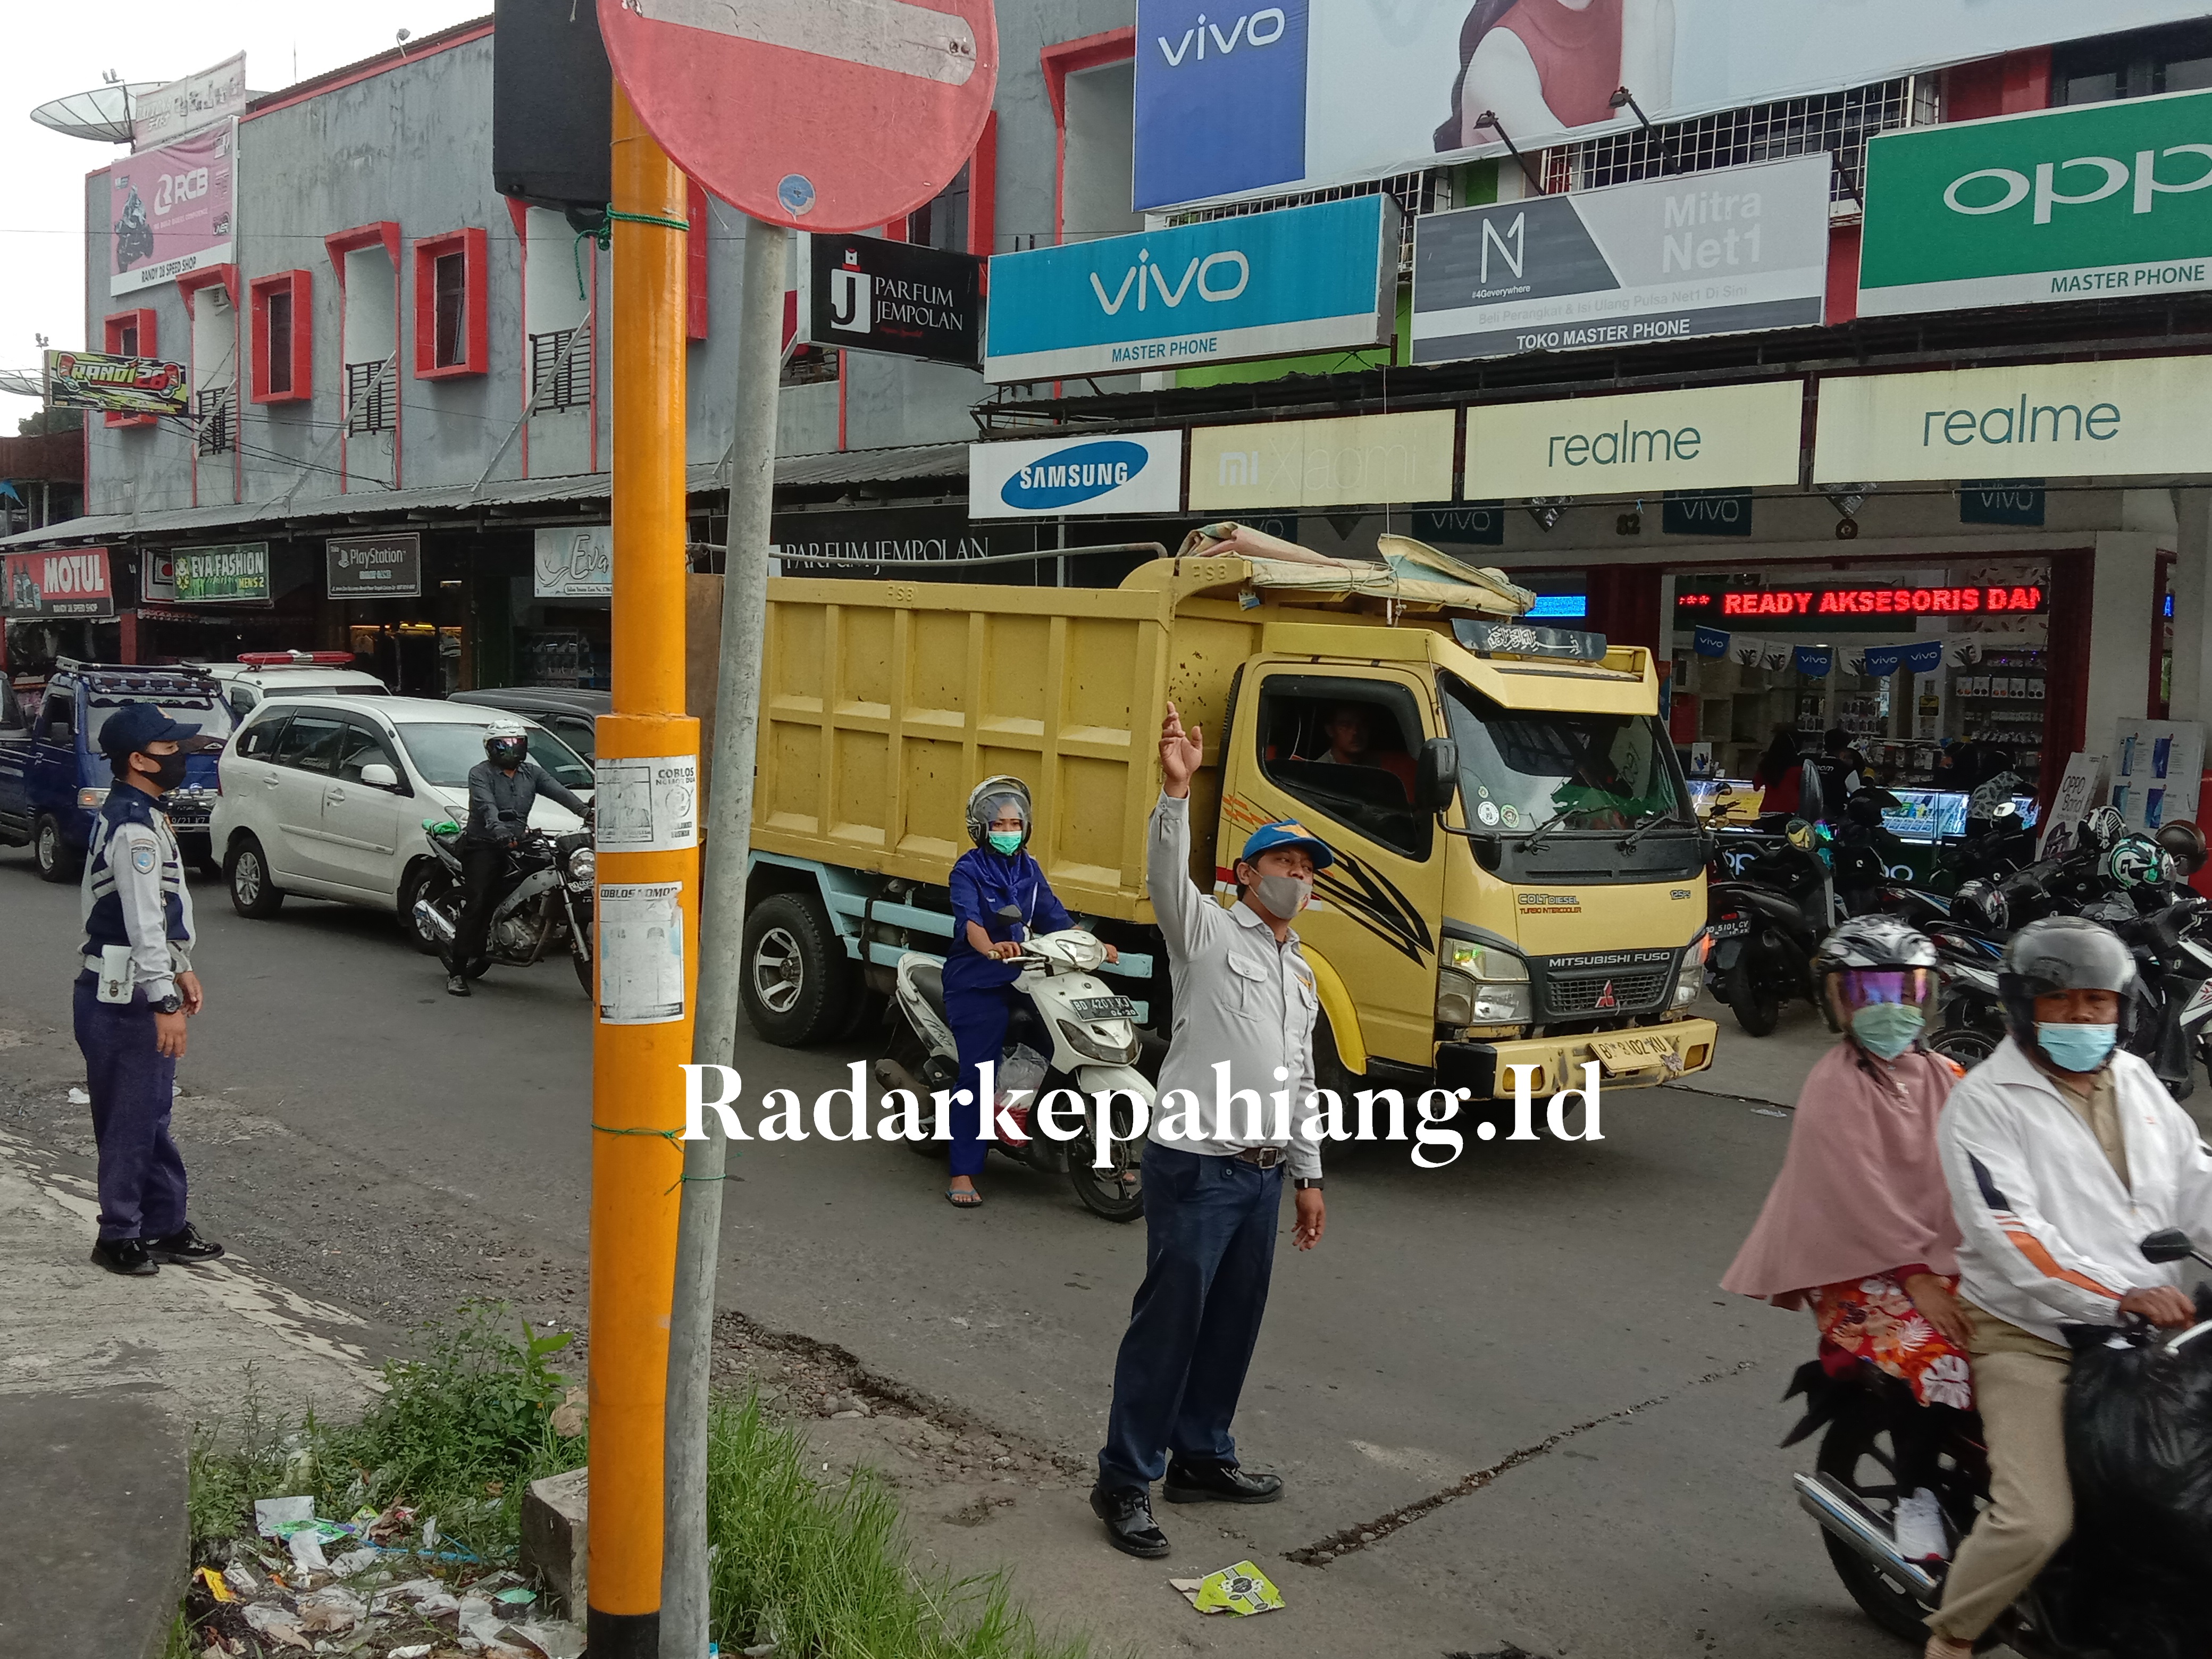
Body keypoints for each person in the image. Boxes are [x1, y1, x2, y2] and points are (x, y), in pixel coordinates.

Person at [1923, 917, 2212, 1658]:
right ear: (2024, 1007)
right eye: (2062, 1002)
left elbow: (2197, 1186)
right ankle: (1953, 1637)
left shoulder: (2139, 1081)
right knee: (2036, 1520)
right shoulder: (1984, 1103)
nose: (2084, 1017)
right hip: (2036, 1333)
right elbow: (2010, 1238)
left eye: (2098, 1002)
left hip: (2162, 1328)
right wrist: (2115, 1295)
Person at [1091, 701, 1329, 1559]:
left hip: (1262, 1175)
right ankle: (1124, 1479)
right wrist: (1175, 792)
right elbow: (1164, 878)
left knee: (1233, 1323)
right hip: (1194, 1164)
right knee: (1169, 1326)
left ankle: (1201, 1455)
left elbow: (1300, 1081)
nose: (1296, 877)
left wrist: (1308, 1177)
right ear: (1245, 873)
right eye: (1283, 862)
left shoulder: (1301, 974)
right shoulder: (1205, 934)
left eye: (1307, 868)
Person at [1723, 917, 1972, 1548]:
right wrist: (1920, 1280)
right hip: (1864, 1271)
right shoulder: (1834, 1085)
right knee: (1939, 1361)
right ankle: (1917, 1500)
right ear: (1837, 1003)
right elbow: (1861, 1196)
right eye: (1867, 994)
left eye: (1901, 991)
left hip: (1939, 1259)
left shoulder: (1943, 1074)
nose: (1887, 1009)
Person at [76, 702, 224, 1277]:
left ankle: (162, 1224)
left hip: (132, 985)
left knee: (149, 1113)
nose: (178, 758)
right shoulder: (135, 828)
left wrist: (180, 963)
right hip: (123, 995)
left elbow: (163, 912)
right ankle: (118, 1234)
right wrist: (164, 999)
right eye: (168, 751)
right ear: (137, 760)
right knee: (131, 1121)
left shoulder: (143, 812)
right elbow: (140, 920)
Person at [940, 776, 1115, 1209]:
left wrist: (1095, 945)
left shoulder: (1029, 869)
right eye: (998, 825)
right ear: (981, 829)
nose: (1008, 832)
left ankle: (1012, 1109)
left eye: (1015, 823)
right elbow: (971, 925)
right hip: (976, 978)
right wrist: (992, 948)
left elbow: (1057, 917)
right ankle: (963, 1171)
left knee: (1053, 1036)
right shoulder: (968, 870)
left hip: (1026, 973)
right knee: (976, 1073)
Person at [445, 716, 591, 997]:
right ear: (491, 748)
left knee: (549, 874)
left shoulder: (532, 773)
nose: (511, 750)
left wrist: (586, 812)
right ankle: (458, 971)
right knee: (479, 902)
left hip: (520, 841)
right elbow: (486, 805)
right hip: (484, 844)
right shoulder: (480, 773)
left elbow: (560, 792)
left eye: (517, 744)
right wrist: (498, 828)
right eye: (504, 745)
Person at [1437, 0, 1674, 150]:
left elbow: (1667, 158)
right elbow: (1613, 175)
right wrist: (1641, 16)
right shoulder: (1499, 60)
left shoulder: (1645, 9)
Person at [1313, 702, 1417, 797]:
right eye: (1345, 726)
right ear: (1330, 730)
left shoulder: (1381, 767)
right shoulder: (1318, 774)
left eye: (1362, 724)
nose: (1355, 732)